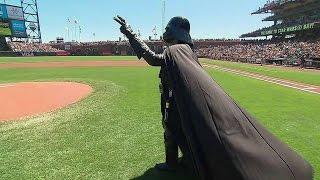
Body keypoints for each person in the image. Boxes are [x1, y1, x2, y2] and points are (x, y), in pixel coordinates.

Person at [114, 15, 313, 180]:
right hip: (175, 96)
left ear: (176, 31)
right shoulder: (185, 50)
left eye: (167, 28)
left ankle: (173, 163)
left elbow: (152, 59)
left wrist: (130, 32)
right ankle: (181, 160)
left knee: (171, 129)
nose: (164, 31)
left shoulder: (177, 50)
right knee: (176, 129)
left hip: (175, 99)